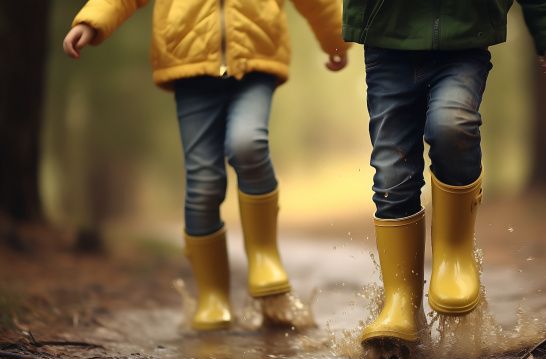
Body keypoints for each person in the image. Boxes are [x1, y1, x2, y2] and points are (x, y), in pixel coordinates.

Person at [63, 0, 348, 330]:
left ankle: (264, 258)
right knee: (203, 183)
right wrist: (91, 22)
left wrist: (336, 39)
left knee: (248, 144)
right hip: (190, 66)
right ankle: (212, 296)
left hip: (256, 60)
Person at [342, 0, 546, 345]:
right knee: (392, 171)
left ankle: (454, 256)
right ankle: (401, 304)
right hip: (387, 37)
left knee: (453, 126)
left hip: (464, 35)